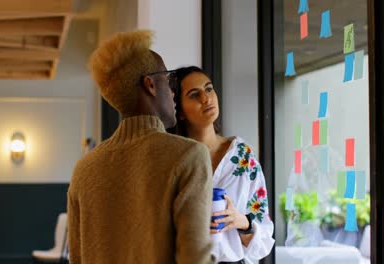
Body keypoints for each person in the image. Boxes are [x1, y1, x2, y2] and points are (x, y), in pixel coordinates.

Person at [67, 31, 215, 264]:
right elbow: (195, 259)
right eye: (169, 81)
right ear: (150, 85)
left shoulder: (84, 169)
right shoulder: (188, 156)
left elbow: (76, 258)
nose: (173, 92)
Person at [169, 66, 275, 263]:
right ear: (180, 111)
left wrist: (241, 222)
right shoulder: (174, 160)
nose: (206, 98)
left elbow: (264, 242)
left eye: (209, 89)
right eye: (194, 94)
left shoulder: (243, 156)